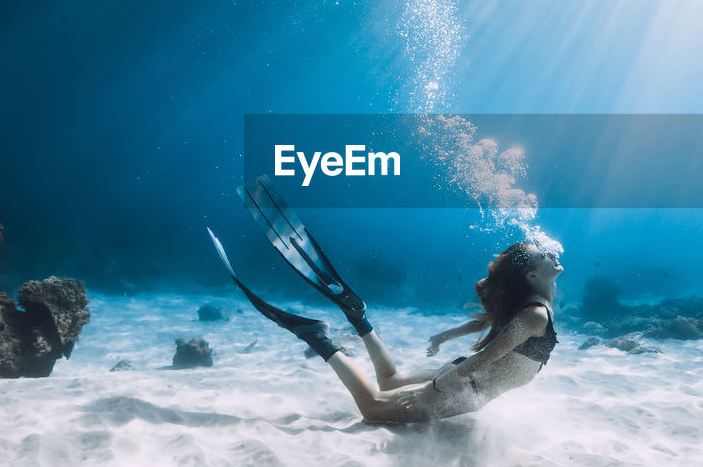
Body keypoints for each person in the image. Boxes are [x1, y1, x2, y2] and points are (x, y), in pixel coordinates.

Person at [207, 177, 562, 423]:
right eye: (543, 256)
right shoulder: (535, 315)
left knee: (391, 380)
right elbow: (487, 356)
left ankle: (359, 319)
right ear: (532, 275)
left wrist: (445, 339)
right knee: (373, 410)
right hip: (465, 385)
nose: (551, 255)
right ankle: (315, 335)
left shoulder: (528, 303)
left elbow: (485, 325)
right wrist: (436, 389)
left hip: (462, 376)